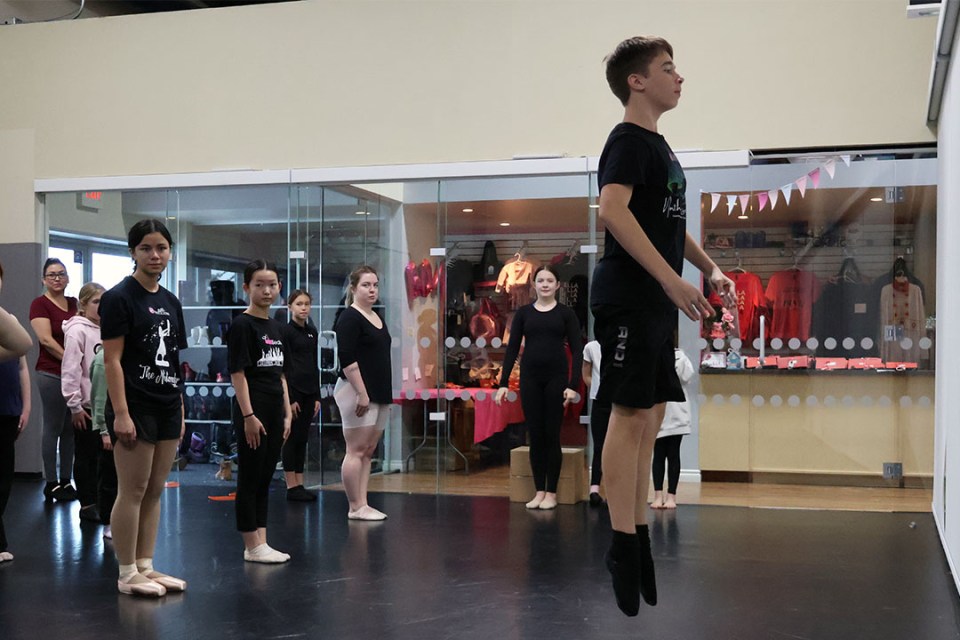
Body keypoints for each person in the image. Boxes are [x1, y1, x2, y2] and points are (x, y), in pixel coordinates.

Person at [592, 36, 735, 616]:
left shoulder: (660, 146)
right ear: (637, 81)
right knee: (628, 417)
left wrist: (707, 268)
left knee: (651, 415)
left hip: (652, 301)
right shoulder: (626, 141)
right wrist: (672, 282)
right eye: (668, 68)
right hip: (630, 298)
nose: (680, 78)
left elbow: (669, 225)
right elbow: (613, 211)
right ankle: (622, 546)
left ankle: (639, 534)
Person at [100, 219, 188, 596]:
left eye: (162, 248)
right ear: (133, 252)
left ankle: (147, 564)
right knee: (132, 489)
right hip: (134, 405)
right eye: (146, 248)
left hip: (167, 404)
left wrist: (180, 410)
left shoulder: (170, 302)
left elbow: (173, 362)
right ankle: (126, 571)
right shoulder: (119, 297)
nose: (155, 255)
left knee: (155, 489)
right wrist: (121, 413)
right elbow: (112, 361)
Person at [494, 265, 583, 511]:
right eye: (540, 280)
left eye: (549, 280)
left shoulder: (566, 314)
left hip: (556, 379)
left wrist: (573, 385)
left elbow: (577, 350)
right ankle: (539, 491)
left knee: (551, 435)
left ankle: (552, 492)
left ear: (557, 285)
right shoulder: (523, 313)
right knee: (535, 435)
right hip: (530, 379)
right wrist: (503, 384)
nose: (544, 284)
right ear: (534, 285)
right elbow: (512, 348)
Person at [229, 259, 293, 563]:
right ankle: (251, 543)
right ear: (246, 288)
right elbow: (238, 374)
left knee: (266, 475)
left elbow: (280, 374)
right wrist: (248, 416)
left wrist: (288, 412)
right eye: (259, 285)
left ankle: (261, 541)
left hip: (273, 407)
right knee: (250, 476)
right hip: (251, 408)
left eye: (272, 284)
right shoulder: (242, 325)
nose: (267, 290)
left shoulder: (277, 327)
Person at [333, 265, 392, 521]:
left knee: (368, 450)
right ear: (354, 288)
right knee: (355, 450)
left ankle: (363, 503)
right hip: (357, 391)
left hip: (378, 391)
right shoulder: (349, 317)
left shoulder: (376, 316)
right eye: (366, 285)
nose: (372, 290)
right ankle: (354, 505)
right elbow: (346, 358)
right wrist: (361, 393)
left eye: (375, 285)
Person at [29, 258, 78, 502]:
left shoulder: (74, 303)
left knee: (70, 428)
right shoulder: (39, 304)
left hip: (75, 374)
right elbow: (46, 340)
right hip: (51, 373)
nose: (57, 278)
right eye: (51, 275)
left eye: (61, 274)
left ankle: (66, 481)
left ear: (68, 278)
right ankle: (51, 482)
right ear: (43, 280)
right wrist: (72, 361)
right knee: (53, 426)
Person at [60, 282, 105, 523]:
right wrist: (74, 405)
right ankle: (87, 503)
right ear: (83, 305)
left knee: (103, 457)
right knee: (86, 455)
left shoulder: (107, 329)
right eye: (96, 302)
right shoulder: (77, 331)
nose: (101, 307)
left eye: (103, 302)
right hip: (86, 407)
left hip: (105, 406)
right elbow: (70, 370)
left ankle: (101, 500)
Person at [0, 259, 31, 562]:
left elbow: (22, 346)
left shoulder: (5, 318)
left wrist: (26, 404)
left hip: (6, 408)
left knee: (3, 476)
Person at [281, 289, 320, 502]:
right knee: (292, 438)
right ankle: (290, 485)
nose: (303, 308)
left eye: (306, 304)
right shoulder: (285, 332)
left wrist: (316, 396)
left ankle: (300, 482)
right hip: (294, 392)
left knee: (302, 438)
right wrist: (291, 399)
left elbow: (312, 365)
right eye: (299, 304)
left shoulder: (312, 332)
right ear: (290, 307)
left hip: (308, 391)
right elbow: (286, 368)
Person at [650, 345, 694, 510]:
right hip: (656, 409)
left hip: (676, 411)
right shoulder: (652, 353)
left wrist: (677, 359)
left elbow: (686, 377)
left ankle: (671, 496)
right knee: (658, 454)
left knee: (673, 454)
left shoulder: (680, 357)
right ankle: (657, 495)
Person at [89, 346, 117, 540]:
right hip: (109, 427)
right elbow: (99, 399)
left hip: (127, 426)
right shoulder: (102, 359)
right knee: (109, 478)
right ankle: (108, 522)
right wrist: (104, 432)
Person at [582, 339, 609, 507]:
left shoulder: (621, 342)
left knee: (617, 449)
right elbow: (586, 374)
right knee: (599, 446)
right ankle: (594, 489)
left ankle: (616, 490)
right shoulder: (591, 347)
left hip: (619, 399)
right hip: (600, 401)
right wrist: (596, 388)